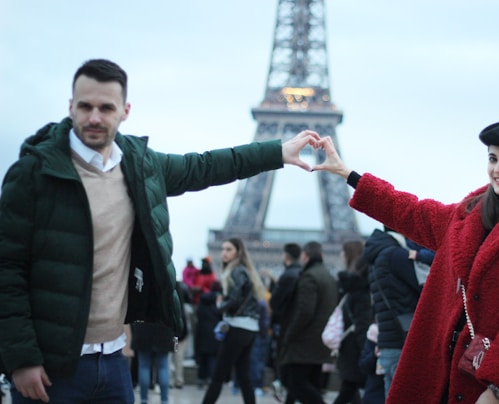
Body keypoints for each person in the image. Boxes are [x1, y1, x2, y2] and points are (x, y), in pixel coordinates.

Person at [0, 58, 320, 403]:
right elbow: (6, 270)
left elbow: (204, 167)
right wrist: (22, 359)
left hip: (114, 362)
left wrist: (276, 151)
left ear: (125, 111)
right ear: (70, 107)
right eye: (85, 106)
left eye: (106, 107)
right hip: (52, 367)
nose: (94, 117)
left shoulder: (141, 166)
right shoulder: (33, 173)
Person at [313, 119, 499, 403]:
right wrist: (347, 173)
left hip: (493, 384)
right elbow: (408, 211)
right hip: (439, 371)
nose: (498, 169)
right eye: (493, 158)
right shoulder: (467, 215)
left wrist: (497, 387)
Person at [362, 225, 434, 396]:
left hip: (388, 342)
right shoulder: (396, 255)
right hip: (404, 342)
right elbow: (427, 291)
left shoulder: (377, 256)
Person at [202, 238, 265, 404]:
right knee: (244, 376)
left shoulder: (236, 271)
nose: (224, 252)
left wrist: (219, 306)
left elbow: (235, 299)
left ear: (238, 252)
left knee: (218, 375)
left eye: (229, 249)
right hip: (249, 328)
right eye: (223, 249)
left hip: (238, 327)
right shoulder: (245, 270)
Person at [279, 241, 339, 404]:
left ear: (304, 256)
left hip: (305, 342)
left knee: (293, 382)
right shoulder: (328, 276)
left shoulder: (309, 276)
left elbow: (305, 311)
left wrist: (290, 333)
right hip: (319, 342)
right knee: (310, 383)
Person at [333, 252, 373, 404]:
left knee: (349, 389)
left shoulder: (350, 289)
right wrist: (367, 351)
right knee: (350, 389)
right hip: (357, 349)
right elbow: (363, 325)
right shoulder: (363, 295)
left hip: (348, 347)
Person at [269, 243, 303, 403]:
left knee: (284, 364)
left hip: (285, 325)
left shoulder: (287, 275)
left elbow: (274, 302)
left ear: (285, 256)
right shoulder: (303, 273)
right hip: (300, 326)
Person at [130, 322, 175, 404]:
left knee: (144, 366)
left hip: (142, 328)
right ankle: (164, 400)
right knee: (163, 366)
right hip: (164, 328)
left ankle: (144, 399)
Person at [194, 280, 223, 390]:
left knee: (203, 359)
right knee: (213, 359)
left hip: (202, 335)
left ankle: (201, 379)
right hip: (214, 336)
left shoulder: (202, 302)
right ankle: (212, 380)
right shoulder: (217, 305)